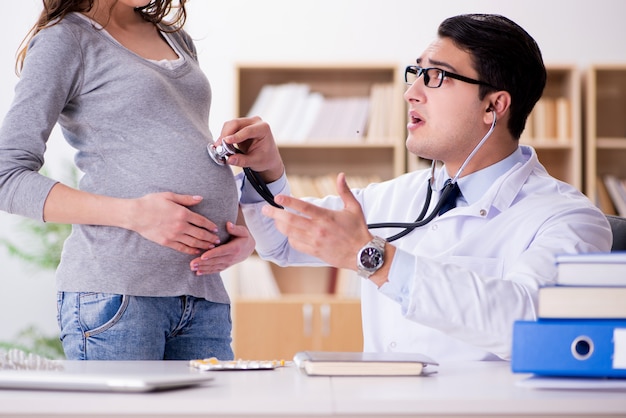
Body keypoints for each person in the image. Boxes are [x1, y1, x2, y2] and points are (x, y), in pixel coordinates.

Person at [207, 14, 612, 361]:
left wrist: (374, 258)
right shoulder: (395, 196)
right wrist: (266, 171)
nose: (410, 93)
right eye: (416, 72)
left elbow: (530, 325)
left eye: (435, 76)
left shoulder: (569, 218)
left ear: (494, 106)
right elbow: (282, 242)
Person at [0, 0, 255, 360]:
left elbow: (174, 147)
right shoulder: (66, 40)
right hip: (118, 298)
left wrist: (238, 235)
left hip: (202, 295)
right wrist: (135, 214)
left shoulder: (176, 38)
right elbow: (7, 177)